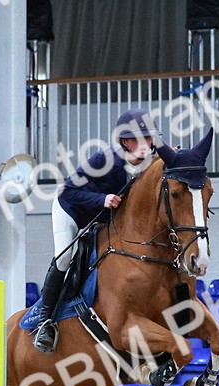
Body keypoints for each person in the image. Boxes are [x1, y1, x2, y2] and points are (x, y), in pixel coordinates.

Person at [33, 108, 176, 353]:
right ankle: (45, 320)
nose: (145, 144)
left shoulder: (152, 163)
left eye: (149, 138)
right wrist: (102, 200)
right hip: (72, 212)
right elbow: (67, 190)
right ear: (124, 142)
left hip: (105, 220)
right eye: (138, 139)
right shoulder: (104, 160)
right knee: (65, 257)